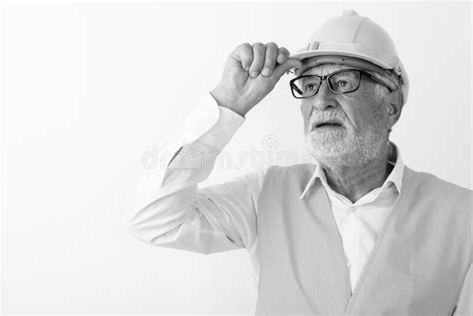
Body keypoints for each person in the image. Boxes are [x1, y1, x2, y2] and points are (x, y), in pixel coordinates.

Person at [127, 10, 472, 315]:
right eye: (308, 84)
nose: (321, 100)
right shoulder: (264, 195)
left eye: (343, 82)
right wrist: (229, 104)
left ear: (391, 105)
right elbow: (152, 219)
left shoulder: (463, 217)